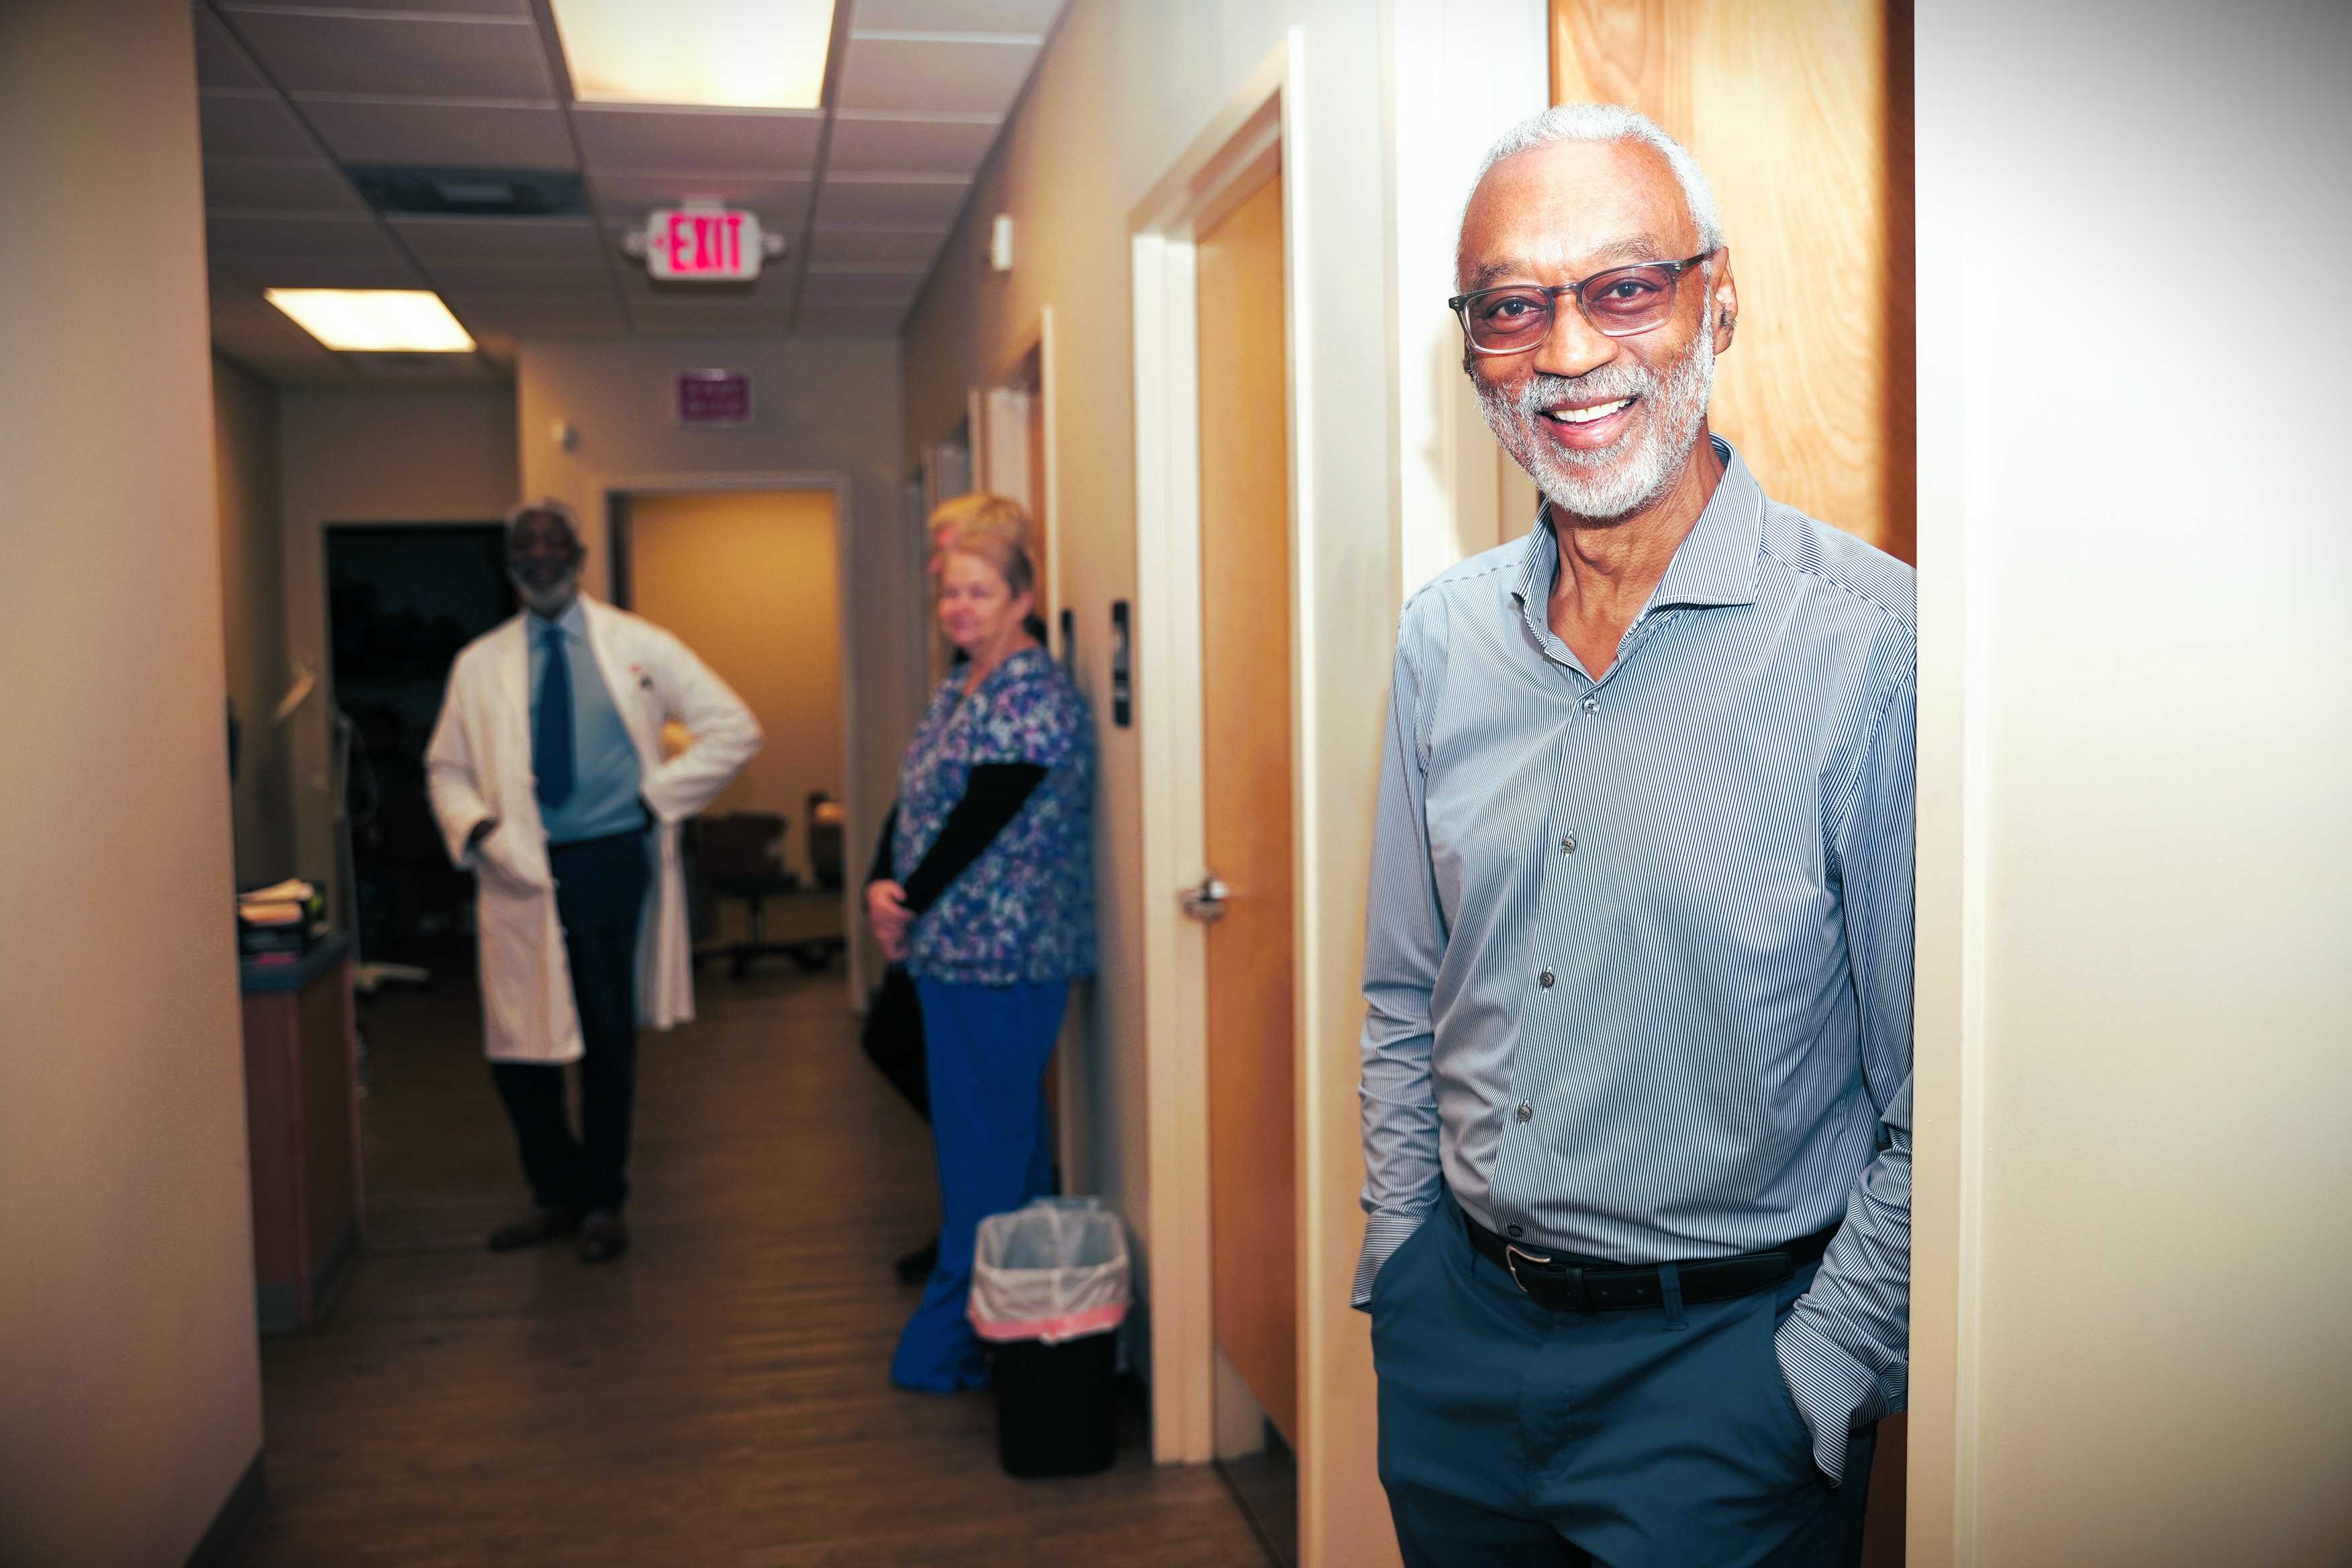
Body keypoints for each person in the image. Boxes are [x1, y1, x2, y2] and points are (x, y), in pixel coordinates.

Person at [1356, 103, 1913, 1567]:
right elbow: (1404, 994)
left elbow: (1940, 1107)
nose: (1565, 352)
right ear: (1469, 348)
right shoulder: (1442, 641)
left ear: (1714, 300)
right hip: (1455, 1356)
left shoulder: (1875, 650)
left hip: (1725, 1382)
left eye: (1622, 288)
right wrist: (1402, 1262)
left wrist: (1816, 1376)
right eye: (1509, 308)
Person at [426, 499, 760, 1264]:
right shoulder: (479, 663)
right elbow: (446, 768)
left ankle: (604, 1200)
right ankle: (555, 1193)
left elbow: (735, 728)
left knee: (607, 1034)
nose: (540, 557)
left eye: (554, 544)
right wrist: (478, 829)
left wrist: (656, 797)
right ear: (509, 563)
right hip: (516, 865)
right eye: (525, 546)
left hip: (609, 860)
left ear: (578, 558)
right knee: (520, 1046)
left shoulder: (639, 644)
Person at [866, 495, 1095, 1392]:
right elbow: (919, 801)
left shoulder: (1032, 694)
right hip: (949, 954)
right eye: (951, 593)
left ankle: (943, 1347)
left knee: (985, 1163)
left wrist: (906, 901)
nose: (959, 608)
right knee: (1002, 1155)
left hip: (1002, 960)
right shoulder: (963, 683)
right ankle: (1020, 1336)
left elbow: (979, 818)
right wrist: (886, 888)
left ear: (1022, 598)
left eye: (980, 592)